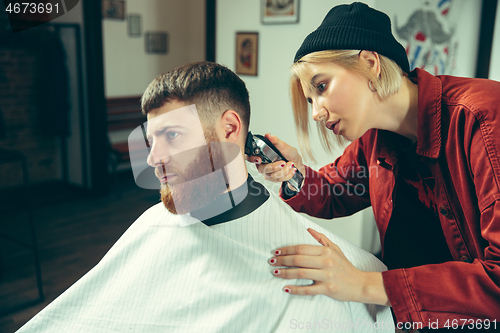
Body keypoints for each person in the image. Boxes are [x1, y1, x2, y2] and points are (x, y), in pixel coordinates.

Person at [17, 62, 393, 332]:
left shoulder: (343, 267)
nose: (152, 159)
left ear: (230, 128)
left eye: (173, 136)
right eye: (151, 141)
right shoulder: (152, 226)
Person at [253, 2, 500, 331]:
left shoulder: (483, 116)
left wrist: (361, 284)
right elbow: (335, 191)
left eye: (322, 87)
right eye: (310, 100)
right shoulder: (376, 139)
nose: (315, 113)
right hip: (405, 319)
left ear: (370, 64)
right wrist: (293, 173)